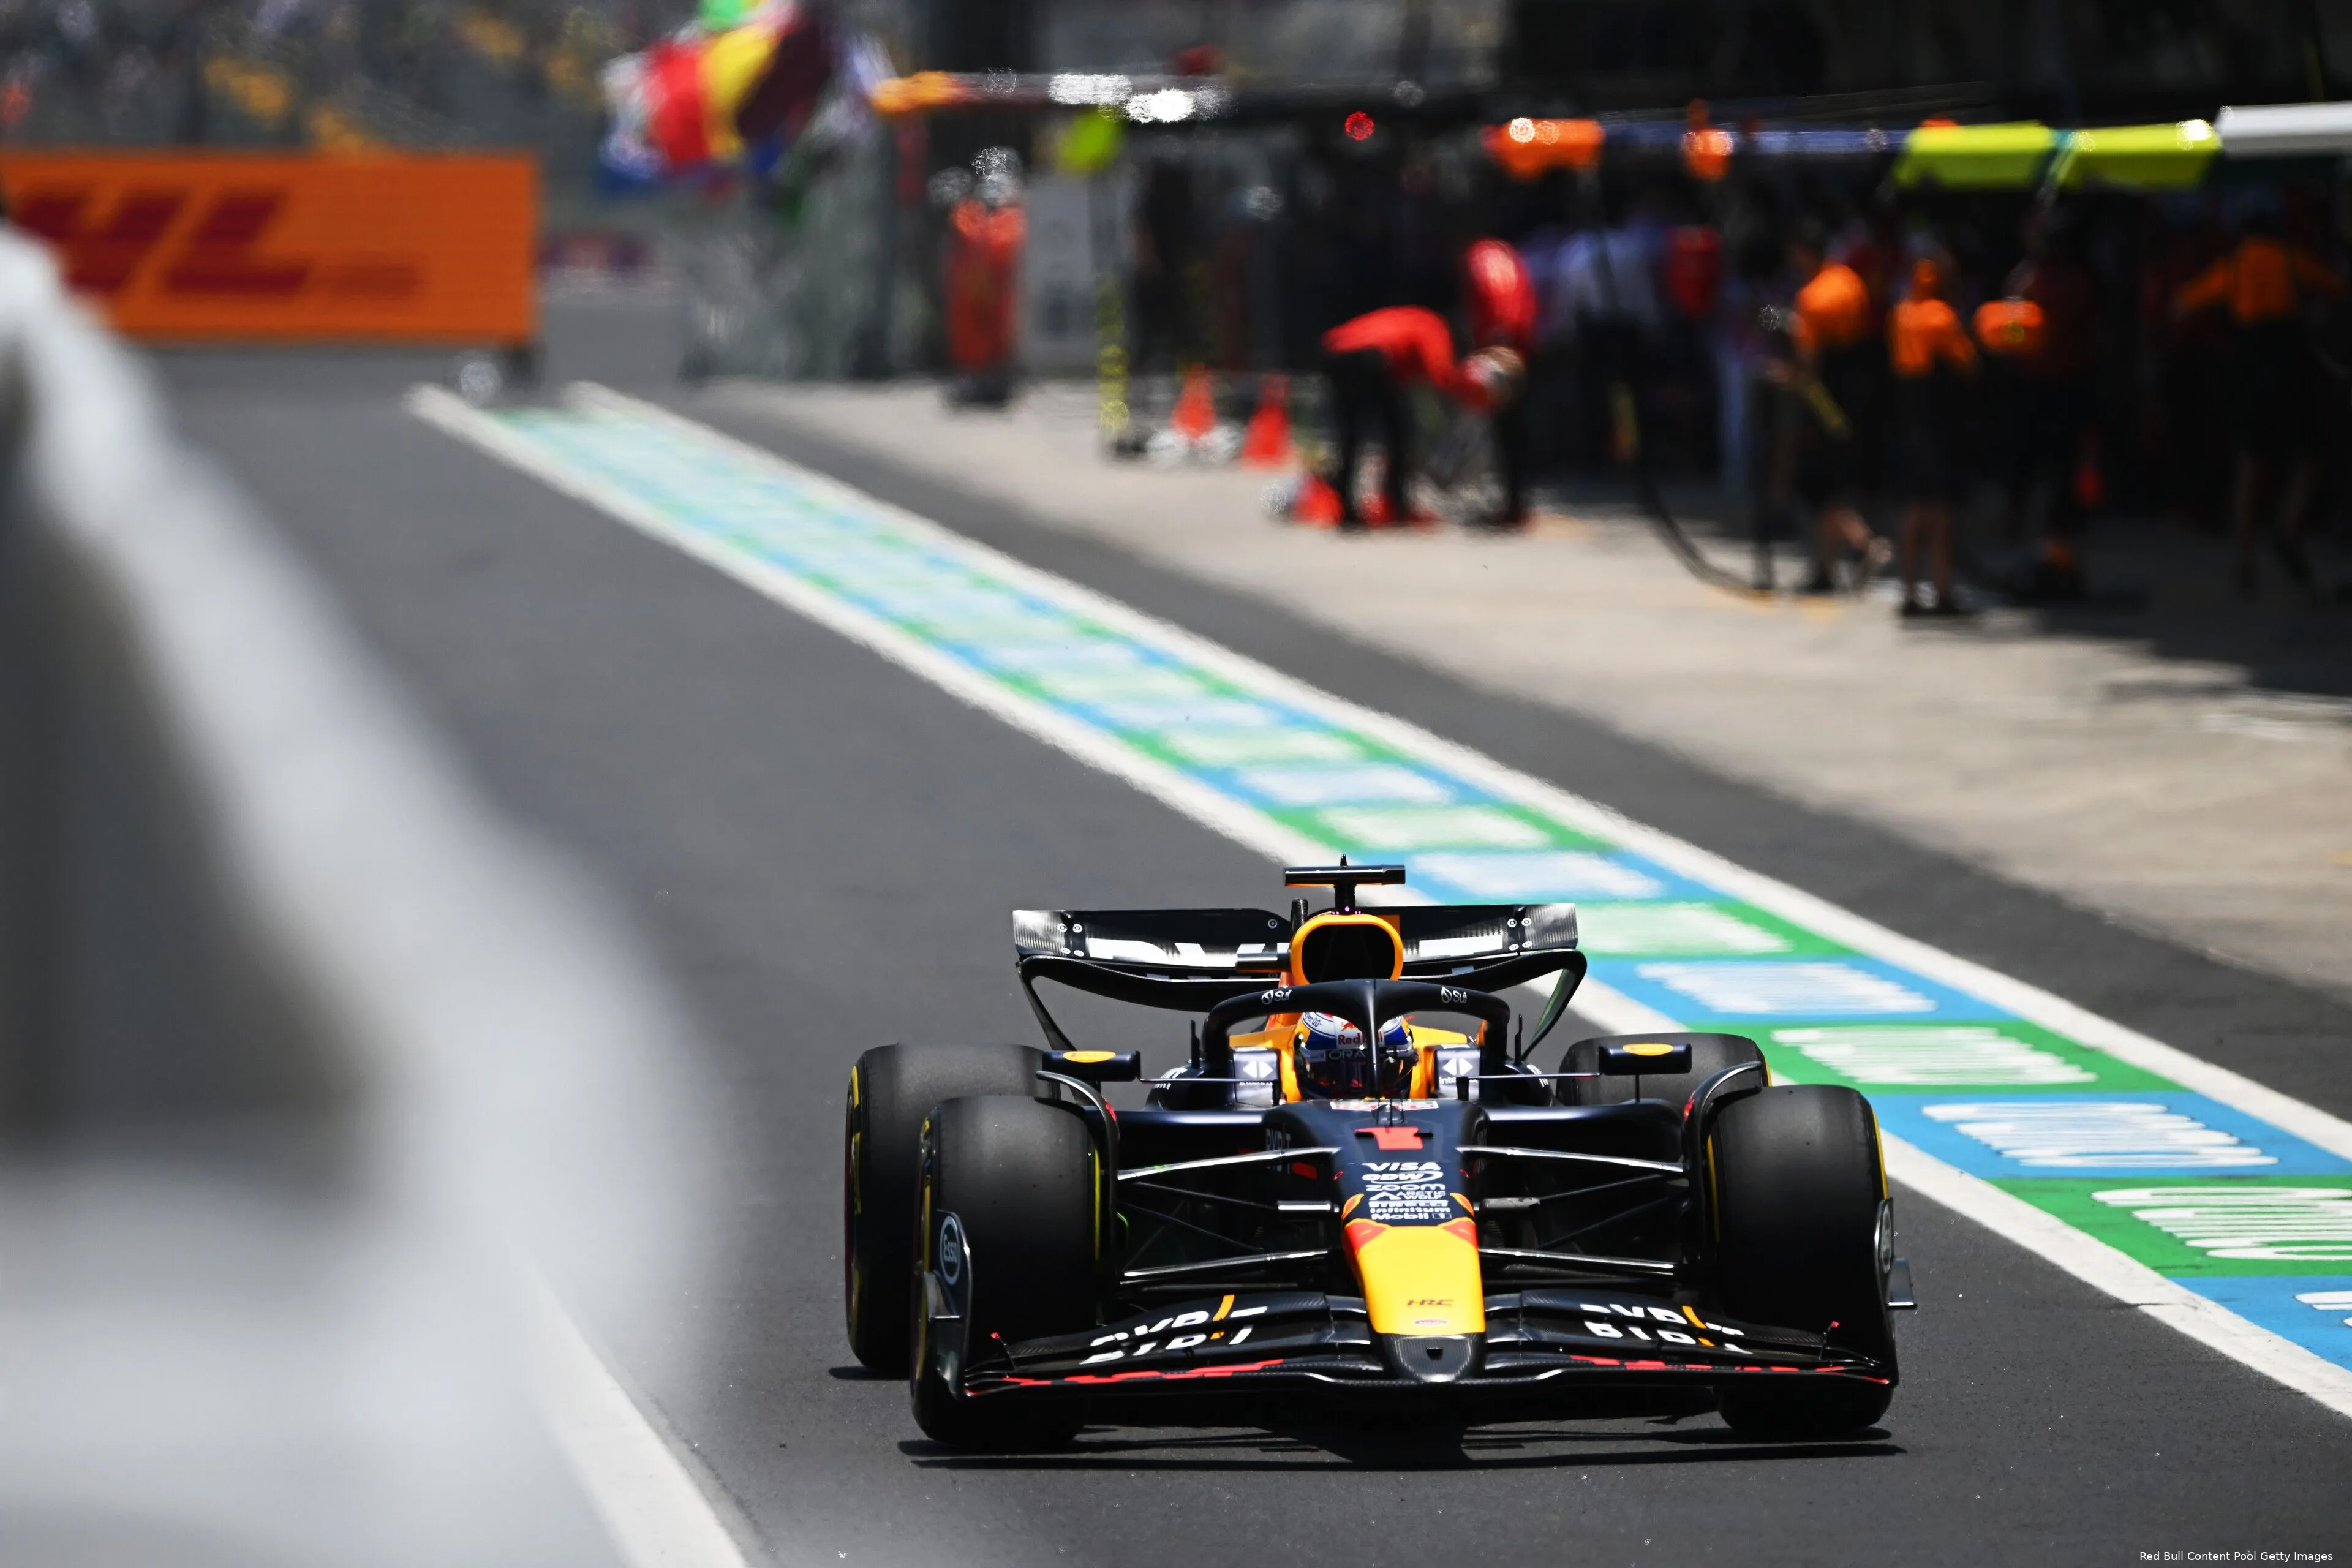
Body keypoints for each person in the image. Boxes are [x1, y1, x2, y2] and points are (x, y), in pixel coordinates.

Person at [2173, 211, 2346, 597]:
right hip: (2289, 366)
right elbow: (2337, 288)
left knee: (2250, 462)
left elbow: (2183, 302)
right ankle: (2289, 526)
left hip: (2248, 367)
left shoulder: (2232, 266)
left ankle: (2245, 558)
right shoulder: (2291, 258)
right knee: (2309, 455)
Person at [1319, 305, 1523, 530]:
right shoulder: (1435, 329)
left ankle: (1348, 509)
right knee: (1398, 435)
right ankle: (1396, 505)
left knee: (1353, 435)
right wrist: (1470, 390)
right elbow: (1440, 377)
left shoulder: (1418, 320)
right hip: (1369, 358)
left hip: (1337, 352)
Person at [1784, 222, 1887, 594]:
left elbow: (1806, 360)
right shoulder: (1848, 280)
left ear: (1803, 253)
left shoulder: (1810, 297)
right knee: (1835, 482)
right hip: (1858, 390)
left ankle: (1865, 546)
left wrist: (1784, 376)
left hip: (1822, 400)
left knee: (1817, 484)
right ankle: (1825, 569)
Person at [1887, 254, 1979, 616]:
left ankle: (1909, 591)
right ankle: (1943, 591)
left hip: (1909, 420)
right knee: (1942, 510)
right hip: (1940, 423)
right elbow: (1969, 366)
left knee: (1914, 507)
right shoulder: (1943, 317)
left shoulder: (1900, 314)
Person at [1464, 238, 1538, 527]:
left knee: (1507, 431)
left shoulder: (1479, 256)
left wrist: (1492, 347)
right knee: (1517, 429)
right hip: (1521, 347)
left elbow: (1492, 297)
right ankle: (1518, 503)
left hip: (1500, 348)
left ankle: (1513, 505)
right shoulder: (1508, 253)